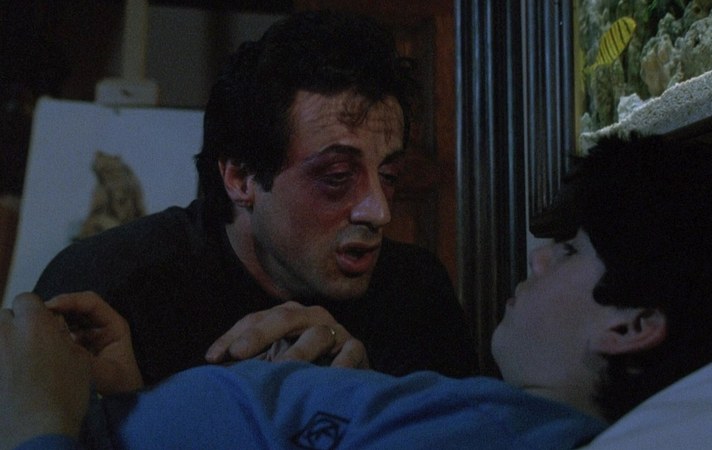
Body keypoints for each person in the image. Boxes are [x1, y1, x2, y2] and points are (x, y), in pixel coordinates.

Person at [4, 134, 712, 449]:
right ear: (240, 181)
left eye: (569, 251)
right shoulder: (128, 266)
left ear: (630, 324)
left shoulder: (510, 428)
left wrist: (36, 424)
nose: (537, 258)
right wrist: (125, 404)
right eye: (335, 177)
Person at [31, 10, 477, 385]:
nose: (378, 211)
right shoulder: (111, 287)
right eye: (338, 177)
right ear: (241, 179)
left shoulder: (417, 294)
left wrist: (367, 402)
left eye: (389, 175)